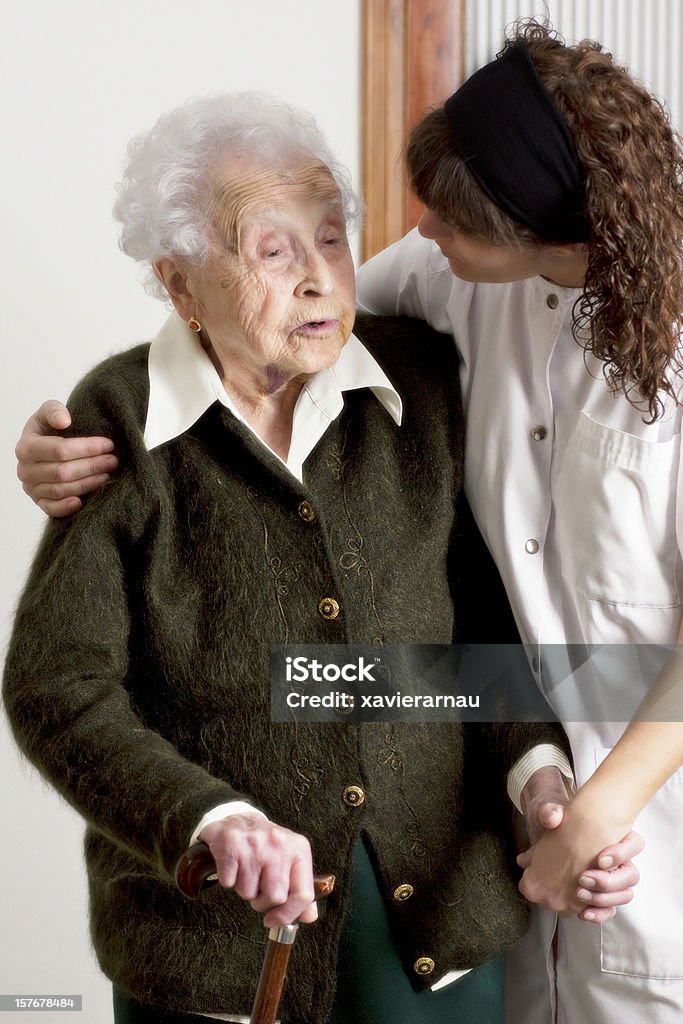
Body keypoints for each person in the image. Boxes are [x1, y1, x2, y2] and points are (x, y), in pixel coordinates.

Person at [4, 90, 634, 1024]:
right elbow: (58, 686)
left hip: (437, 935)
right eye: (271, 250)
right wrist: (209, 820)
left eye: (331, 240)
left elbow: (481, 633)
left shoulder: (422, 384)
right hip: (210, 954)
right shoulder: (117, 422)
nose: (315, 278)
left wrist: (538, 775)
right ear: (180, 283)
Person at [356, 18, 683, 1024]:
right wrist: (113, 412)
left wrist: (602, 805)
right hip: (510, 798)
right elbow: (286, 320)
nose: (426, 238)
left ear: (556, 235)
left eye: (453, 225)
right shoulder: (456, 275)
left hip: (650, 812)